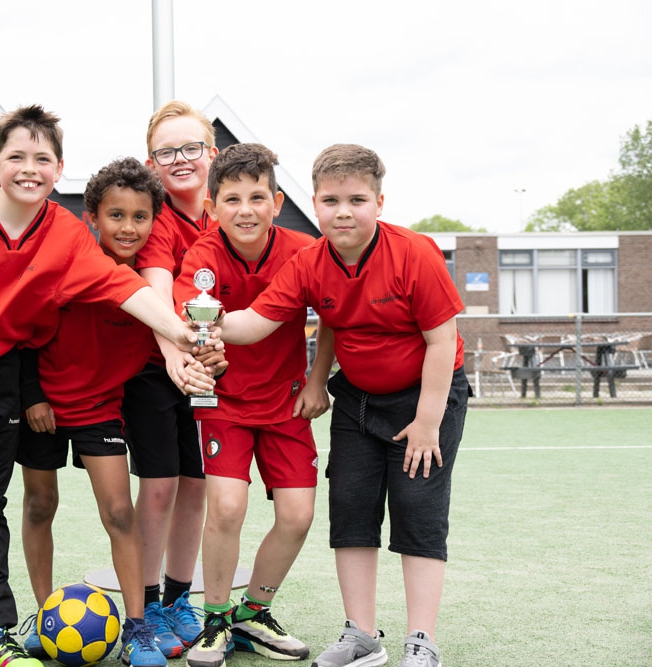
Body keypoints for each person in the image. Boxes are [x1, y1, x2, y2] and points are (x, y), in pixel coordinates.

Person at [0, 105, 203, 667]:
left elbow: (119, 286)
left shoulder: (63, 232)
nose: (29, 169)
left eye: (42, 158)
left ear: (59, 169)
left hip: (4, 373)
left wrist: (184, 332)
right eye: (16, 157)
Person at [218, 144, 469, 667]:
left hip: (426, 399)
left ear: (379, 201)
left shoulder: (415, 253)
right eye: (331, 201)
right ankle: (361, 635)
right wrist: (193, 324)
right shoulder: (309, 261)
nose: (344, 211)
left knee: (417, 515)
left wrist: (427, 423)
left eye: (357, 199)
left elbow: (443, 343)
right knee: (351, 514)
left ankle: (422, 640)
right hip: (356, 399)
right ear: (315, 204)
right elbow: (256, 323)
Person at [17, 157, 184, 667]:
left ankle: (136, 627)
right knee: (40, 505)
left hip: (99, 409)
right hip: (43, 405)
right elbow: (22, 332)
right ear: (92, 217)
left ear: (154, 221)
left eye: (139, 217)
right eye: (116, 215)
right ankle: (44, 614)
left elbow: (171, 341)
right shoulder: (67, 264)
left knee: (118, 512)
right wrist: (31, 397)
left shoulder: (150, 291)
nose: (128, 227)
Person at [174, 144, 319, 667]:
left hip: (285, 403)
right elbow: (194, 325)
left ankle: (253, 612)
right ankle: (214, 617)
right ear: (212, 207)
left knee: (299, 516)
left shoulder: (306, 250)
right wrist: (198, 352)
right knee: (228, 507)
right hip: (225, 402)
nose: (246, 209)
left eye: (257, 196)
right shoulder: (202, 257)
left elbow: (332, 318)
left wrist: (317, 380)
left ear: (277, 202)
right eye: (231, 199)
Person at [121, 100, 221, 656]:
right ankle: (149, 602)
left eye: (190, 148)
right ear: (151, 160)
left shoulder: (227, 213)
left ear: (212, 154)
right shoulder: (154, 219)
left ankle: (180, 599)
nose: (179, 159)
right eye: (166, 151)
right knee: (158, 489)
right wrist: (174, 354)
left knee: (198, 486)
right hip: (155, 372)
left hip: (205, 372)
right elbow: (156, 291)